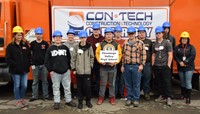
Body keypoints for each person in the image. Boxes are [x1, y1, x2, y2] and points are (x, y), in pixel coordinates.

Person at [44, 30, 76, 110]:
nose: (58, 39)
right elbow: (47, 61)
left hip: (65, 72)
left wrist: (69, 69)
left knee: (67, 87)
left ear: (61, 38)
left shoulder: (65, 48)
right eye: (56, 37)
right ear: (54, 38)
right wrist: (50, 70)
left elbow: (69, 58)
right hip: (55, 73)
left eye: (59, 37)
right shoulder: (50, 49)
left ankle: (68, 100)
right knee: (56, 87)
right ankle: (57, 102)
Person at [6, 26, 31, 108]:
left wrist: (28, 64)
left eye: (21, 35)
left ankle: (22, 98)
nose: (19, 37)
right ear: (14, 36)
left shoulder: (24, 45)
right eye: (18, 35)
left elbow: (29, 55)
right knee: (17, 85)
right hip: (15, 70)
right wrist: (15, 65)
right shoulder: (10, 46)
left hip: (24, 70)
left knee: (24, 85)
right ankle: (18, 100)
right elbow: (8, 59)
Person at [121, 26, 146, 107]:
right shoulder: (125, 43)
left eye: (132, 33)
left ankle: (135, 99)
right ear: (127, 34)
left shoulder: (140, 43)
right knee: (128, 84)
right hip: (127, 66)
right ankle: (129, 98)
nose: (131, 35)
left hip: (136, 66)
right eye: (129, 33)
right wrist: (122, 65)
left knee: (136, 84)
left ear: (135, 34)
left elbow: (143, 55)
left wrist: (141, 65)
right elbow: (123, 55)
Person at [96, 27, 122, 105]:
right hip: (103, 68)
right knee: (103, 83)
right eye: (107, 34)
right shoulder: (101, 44)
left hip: (112, 68)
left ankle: (112, 97)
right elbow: (97, 53)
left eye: (110, 34)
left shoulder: (116, 44)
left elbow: (120, 54)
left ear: (112, 35)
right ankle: (101, 97)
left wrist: (115, 62)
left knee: (112, 84)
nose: (108, 36)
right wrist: (100, 61)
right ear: (105, 35)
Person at [71, 30, 94, 109]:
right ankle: (80, 102)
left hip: (87, 71)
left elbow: (92, 57)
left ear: (86, 38)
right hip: (79, 71)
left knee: (87, 88)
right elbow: (73, 58)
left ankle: (88, 101)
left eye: (84, 37)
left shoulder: (89, 46)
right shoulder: (76, 47)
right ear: (79, 38)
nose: (83, 39)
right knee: (79, 88)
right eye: (81, 37)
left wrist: (90, 66)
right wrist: (74, 68)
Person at [152, 26, 173, 106]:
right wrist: (153, 65)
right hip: (157, 66)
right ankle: (161, 96)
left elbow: (170, 54)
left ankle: (168, 97)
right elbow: (153, 55)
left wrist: (168, 65)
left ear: (163, 34)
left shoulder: (167, 43)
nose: (158, 35)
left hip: (165, 66)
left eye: (159, 33)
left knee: (167, 82)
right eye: (157, 33)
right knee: (159, 82)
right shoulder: (155, 44)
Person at [174, 31, 196, 104]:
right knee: (182, 82)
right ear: (181, 39)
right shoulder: (177, 47)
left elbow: (192, 56)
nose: (184, 40)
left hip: (189, 68)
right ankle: (183, 95)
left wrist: (185, 62)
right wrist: (179, 62)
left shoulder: (191, 47)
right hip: (180, 67)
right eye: (183, 38)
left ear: (188, 39)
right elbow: (175, 56)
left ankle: (188, 98)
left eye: (186, 39)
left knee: (188, 82)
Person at [29, 27, 50, 102]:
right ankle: (34, 96)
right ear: (35, 34)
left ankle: (46, 96)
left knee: (45, 81)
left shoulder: (45, 44)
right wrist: (31, 63)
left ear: (42, 34)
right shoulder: (32, 44)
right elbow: (29, 54)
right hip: (35, 65)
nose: (39, 35)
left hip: (44, 65)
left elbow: (48, 55)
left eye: (40, 34)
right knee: (35, 81)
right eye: (37, 34)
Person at [87, 23, 104, 96]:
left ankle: (98, 94)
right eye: (94, 30)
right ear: (92, 30)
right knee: (89, 78)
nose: (96, 31)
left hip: (99, 62)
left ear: (99, 30)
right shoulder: (88, 38)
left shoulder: (103, 39)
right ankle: (89, 93)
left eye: (97, 29)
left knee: (98, 78)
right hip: (90, 61)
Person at [137, 26, 152, 100]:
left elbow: (152, 53)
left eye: (143, 32)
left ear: (145, 33)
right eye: (140, 32)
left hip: (147, 64)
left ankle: (146, 93)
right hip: (137, 64)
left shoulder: (149, 42)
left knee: (147, 79)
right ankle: (137, 93)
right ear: (138, 33)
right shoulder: (136, 41)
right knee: (137, 79)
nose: (141, 34)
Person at [63, 29, 78, 99]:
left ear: (74, 36)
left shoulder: (77, 44)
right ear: (67, 36)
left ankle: (75, 93)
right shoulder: (64, 45)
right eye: (69, 35)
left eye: (72, 35)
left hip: (75, 65)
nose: (70, 36)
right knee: (67, 80)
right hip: (66, 65)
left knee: (75, 80)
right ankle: (68, 93)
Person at [113, 25, 125, 99]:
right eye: (117, 32)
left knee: (121, 79)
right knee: (114, 79)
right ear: (114, 33)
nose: (118, 34)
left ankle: (121, 93)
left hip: (122, 62)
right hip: (114, 62)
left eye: (119, 32)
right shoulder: (112, 41)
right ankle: (115, 93)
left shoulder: (124, 42)